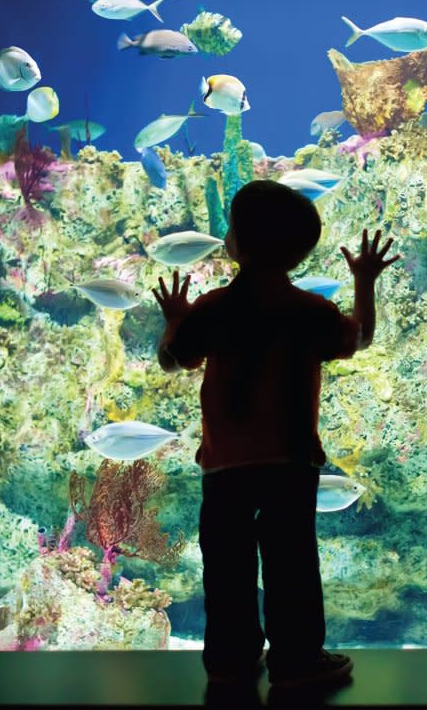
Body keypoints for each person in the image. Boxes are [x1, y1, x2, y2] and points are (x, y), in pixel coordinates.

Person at [152, 180, 399, 689]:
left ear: (236, 243)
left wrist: (175, 321)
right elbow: (361, 337)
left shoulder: (214, 308)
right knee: (291, 562)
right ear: (300, 253)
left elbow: (174, 361)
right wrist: (365, 282)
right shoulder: (310, 311)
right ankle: (296, 658)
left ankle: (230, 657)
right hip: (290, 461)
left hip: (225, 465)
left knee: (227, 564)